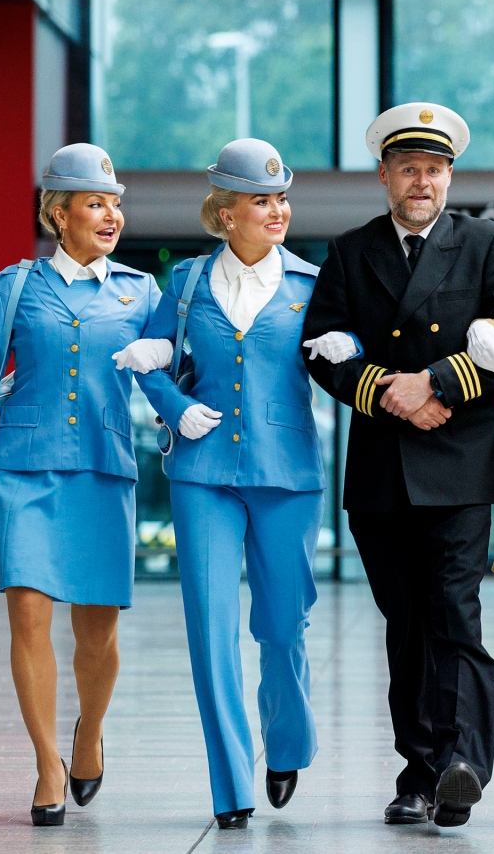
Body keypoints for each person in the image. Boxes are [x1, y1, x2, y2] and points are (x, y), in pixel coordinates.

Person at [300, 102, 494, 828]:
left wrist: (434, 384)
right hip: (382, 467)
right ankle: (419, 770)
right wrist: (390, 394)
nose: (421, 181)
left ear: (450, 177)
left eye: (434, 169)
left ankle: (461, 763)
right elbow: (322, 347)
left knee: (454, 612)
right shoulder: (351, 250)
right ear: (385, 175)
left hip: (458, 464)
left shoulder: (486, 244)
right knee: (405, 626)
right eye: (408, 169)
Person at [0, 144, 160, 825]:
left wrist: (178, 411)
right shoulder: (14, 286)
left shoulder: (141, 291)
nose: (112, 216)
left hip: (104, 468)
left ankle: (88, 732)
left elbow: (169, 374)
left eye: (116, 204)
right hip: (21, 469)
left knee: (97, 634)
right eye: (96, 204)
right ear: (59, 214)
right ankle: (46, 763)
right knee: (28, 615)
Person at [120, 140, 327, 829]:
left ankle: (287, 743)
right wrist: (174, 407)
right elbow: (149, 361)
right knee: (210, 631)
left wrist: (351, 350)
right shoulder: (184, 284)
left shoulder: (313, 285)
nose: (277, 211)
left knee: (282, 625)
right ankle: (231, 785)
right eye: (261, 200)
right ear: (227, 212)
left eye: (281, 198)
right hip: (201, 474)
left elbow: (348, 356)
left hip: (287, 475)